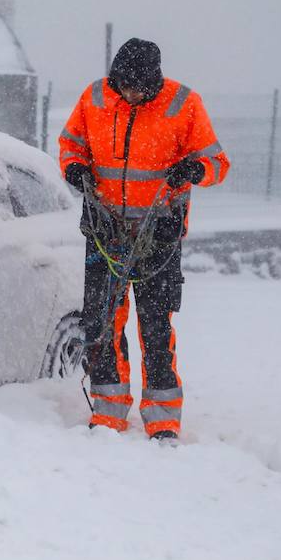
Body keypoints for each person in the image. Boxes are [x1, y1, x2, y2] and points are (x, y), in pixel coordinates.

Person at [56, 38, 230, 442]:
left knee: (155, 326)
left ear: (155, 83)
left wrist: (193, 169)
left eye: (139, 90)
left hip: (160, 234)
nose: (131, 96)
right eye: (125, 88)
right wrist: (76, 168)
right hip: (104, 230)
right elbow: (70, 144)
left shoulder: (183, 104)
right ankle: (109, 412)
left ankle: (163, 418)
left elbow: (218, 163)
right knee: (102, 324)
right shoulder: (96, 97)